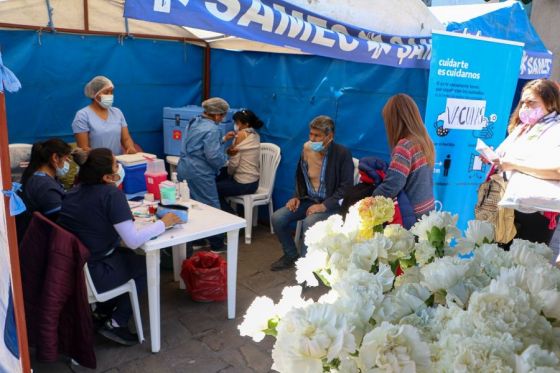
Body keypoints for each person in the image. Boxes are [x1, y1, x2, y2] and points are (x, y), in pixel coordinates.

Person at [58, 148, 181, 346]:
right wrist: (163, 223)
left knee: (128, 254)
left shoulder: (74, 190)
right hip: (95, 273)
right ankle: (116, 322)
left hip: (74, 268)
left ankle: (103, 311)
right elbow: (133, 240)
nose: (120, 167)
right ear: (107, 176)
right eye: (116, 164)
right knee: (145, 266)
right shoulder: (111, 194)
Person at [270, 115, 354, 271]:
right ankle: (291, 255)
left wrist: (324, 206)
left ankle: (305, 267)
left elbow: (346, 188)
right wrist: (296, 196)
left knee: (309, 222)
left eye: (317, 135)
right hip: (309, 200)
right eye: (311, 134)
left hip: (333, 205)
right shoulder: (307, 149)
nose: (312, 139)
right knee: (278, 218)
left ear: (330, 136)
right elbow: (301, 177)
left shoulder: (342, 153)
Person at [492, 79, 560, 246]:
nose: (525, 108)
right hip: (509, 206)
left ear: (550, 103)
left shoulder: (555, 130)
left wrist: (513, 164)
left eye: (531, 103)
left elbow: (557, 171)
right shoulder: (523, 128)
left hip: (536, 211)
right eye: (523, 103)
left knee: (524, 266)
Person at [177, 97, 233, 252]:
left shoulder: (195, 121)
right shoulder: (213, 129)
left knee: (194, 205)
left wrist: (222, 140)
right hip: (200, 171)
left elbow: (198, 144)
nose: (222, 119)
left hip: (185, 168)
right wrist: (226, 160)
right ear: (216, 115)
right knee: (211, 206)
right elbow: (213, 156)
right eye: (222, 116)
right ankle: (217, 244)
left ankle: (198, 239)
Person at [371, 94, 435, 220]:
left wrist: (371, 199)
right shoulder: (425, 141)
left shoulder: (405, 146)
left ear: (394, 120)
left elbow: (393, 185)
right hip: (428, 211)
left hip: (411, 215)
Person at [16, 138, 72, 241]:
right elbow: (63, 222)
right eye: (66, 159)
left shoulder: (38, 177)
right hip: (39, 242)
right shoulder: (45, 187)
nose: (68, 163)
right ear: (55, 157)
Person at [72, 75, 137, 155]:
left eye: (111, 92)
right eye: (106, 92)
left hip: (117, 163)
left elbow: (126, 139)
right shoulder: (82, 115)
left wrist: (130, 147)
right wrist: (105, 160)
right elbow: (83, 149)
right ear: (95, 94)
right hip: (96, 164)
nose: (110, 95)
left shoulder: (117, 112)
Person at [217, 109, 263, 214]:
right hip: (254, 182)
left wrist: (228, 173)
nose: (235, 125)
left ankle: (233, 218)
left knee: (212, 189)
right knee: (220, 179)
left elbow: (233, 164)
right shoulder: (255, 135)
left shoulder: (241, 134)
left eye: (237, 123)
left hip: (243, 183)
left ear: (246, 124)